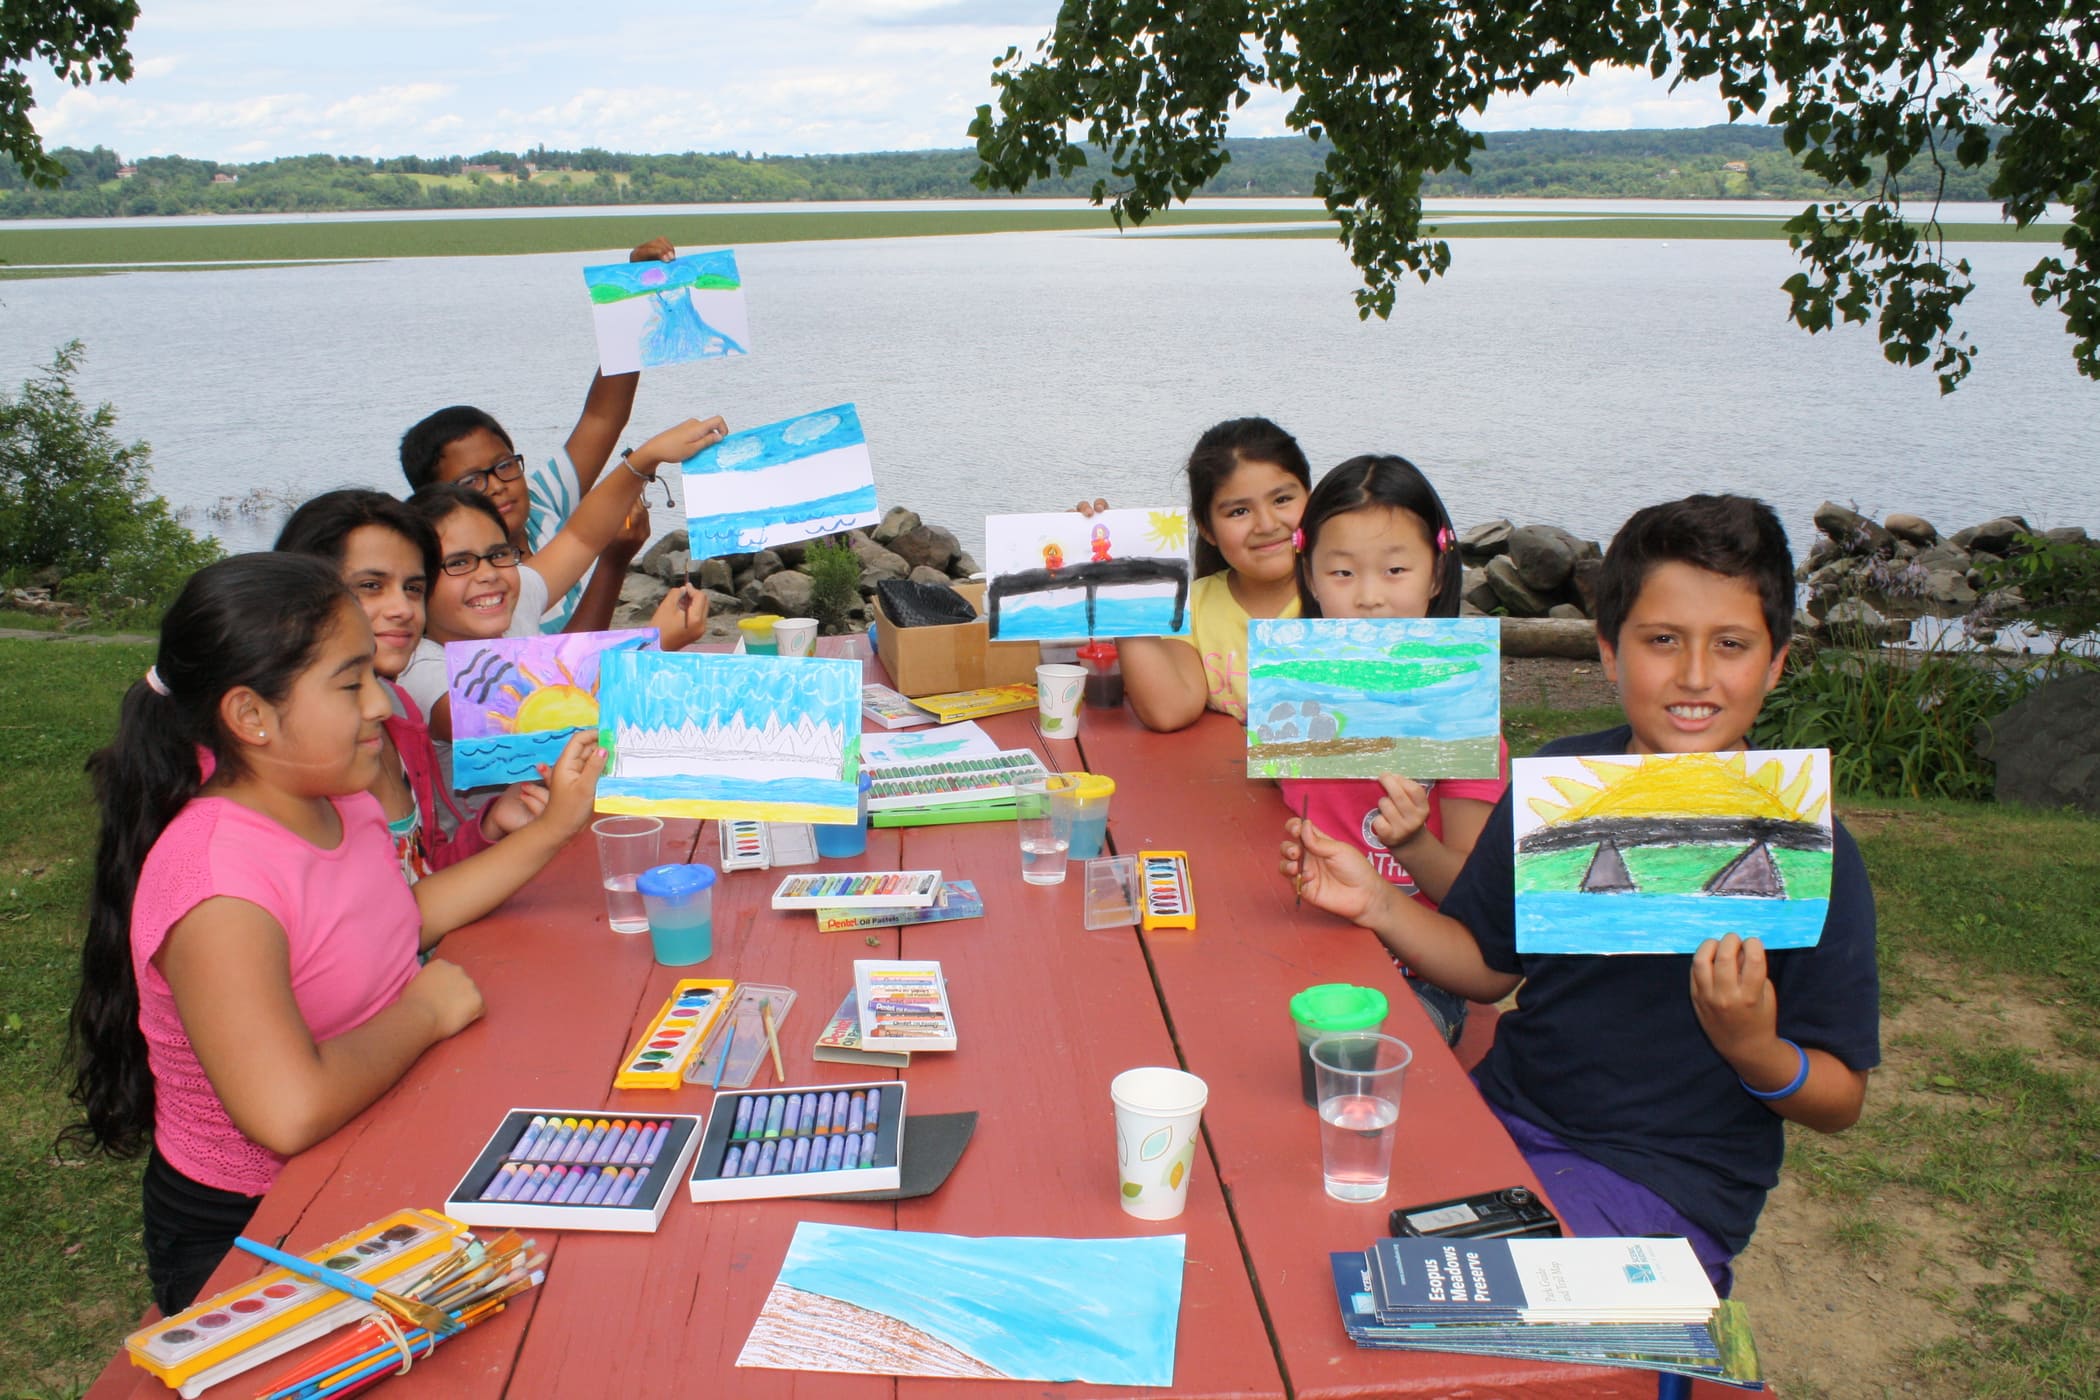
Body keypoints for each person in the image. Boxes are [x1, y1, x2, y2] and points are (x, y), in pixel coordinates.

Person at [1280, 494, 1879, 1294]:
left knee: (1454, 1304)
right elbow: (1488, 968)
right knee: (1319, 1236)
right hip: (1504, 1117)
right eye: (1662, 641)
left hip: (1668, 1182)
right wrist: (1377, 904)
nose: (1694, 675)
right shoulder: (1561, 787)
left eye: (1730, 645)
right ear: (1608, 652)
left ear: (1773, 663)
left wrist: (1753, 1048)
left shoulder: (1814, 848)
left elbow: (1840, 1100)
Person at [62, 554, 606, 1314]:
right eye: (351, 684)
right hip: (261, 1227)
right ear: (250, 715)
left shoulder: (333, 795)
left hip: (379, 1139)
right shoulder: (218, 885)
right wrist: (425, 1011)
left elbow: (402, 919)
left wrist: (553, 829)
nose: (382, 706)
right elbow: (286, 1111)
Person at [1277, 454, 1509, 1046]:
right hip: (1296, 943)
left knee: (1346, 1057)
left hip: (1414, 974)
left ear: (1436, 575)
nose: (1370, 597)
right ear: (1308, 575)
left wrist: (1412, 843)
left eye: (1396, 570)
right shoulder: (1294, 700)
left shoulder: (1464, 720)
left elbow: (1475, 899)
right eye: (1343, 573)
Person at [396, 235, 692, 634]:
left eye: (503, 465)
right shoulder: (471, 593)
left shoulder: (541, 503)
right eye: (471, 481)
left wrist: (634, 292)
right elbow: (559, 677)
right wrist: (615, 560)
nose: (498, 486)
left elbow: (602, 417)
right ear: (431, 505)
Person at [274, 489, 553, 879]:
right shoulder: (283, 753)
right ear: (300, 594)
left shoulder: (399, 711)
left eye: (413, 588)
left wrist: (491, 826)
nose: (403, 609)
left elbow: (424, 876)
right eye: (371, 585)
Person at [396, 414, 721, 745]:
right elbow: (517, 718)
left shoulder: (510, 598)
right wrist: (651, 646)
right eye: (459, 562)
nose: (488, 574)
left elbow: (581, 537)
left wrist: (647, 457)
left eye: (498, 554)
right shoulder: (419, 667)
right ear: (416, 586)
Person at [1077, 417, 1310, 729]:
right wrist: (1118, 578)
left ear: (1312, 498)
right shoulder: (1192, 606)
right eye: (1239, 511)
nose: (1267, 524)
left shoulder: (1348, 593)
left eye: (1282, 499)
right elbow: (1168, 710)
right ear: (1207, 529)